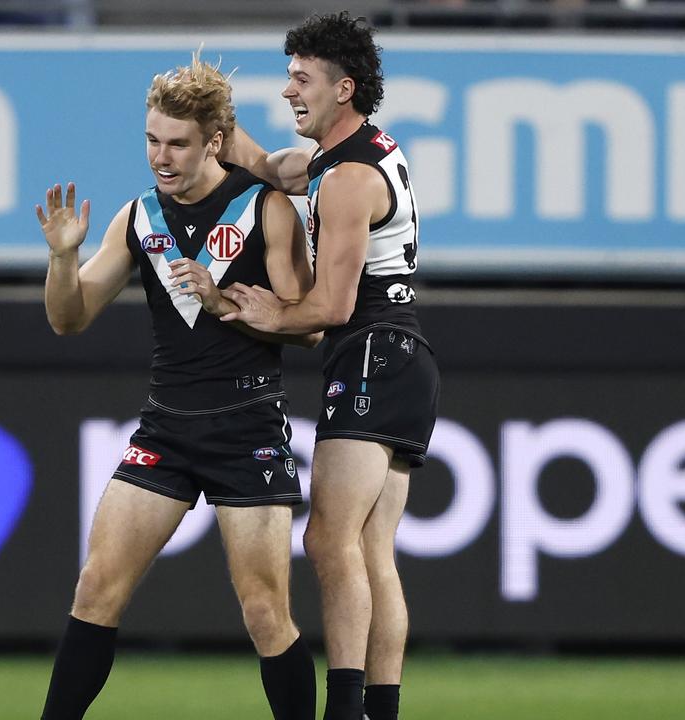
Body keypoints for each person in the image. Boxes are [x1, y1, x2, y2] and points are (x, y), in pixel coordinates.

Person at [35, 54, 320, 720]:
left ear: (213, 142)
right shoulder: (138, 218)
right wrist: (62, 257)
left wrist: (227, 305)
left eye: (178, 144)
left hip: (247, 424)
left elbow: (307, 327)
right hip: (167, 427)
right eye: (153, 140)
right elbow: (67, 319)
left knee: (265, 613)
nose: (162, 157)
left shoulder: (266, 208)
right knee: (96, 590)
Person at [219, 12, 440, 720]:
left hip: (372, 352)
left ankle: (344, 709)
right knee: (373, 550)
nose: (288, 90)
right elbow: (263, 166)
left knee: (327, 538)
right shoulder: (348, 158)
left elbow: (333, 306)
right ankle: (379, 709)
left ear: (344, 88)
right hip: (403, 355)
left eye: (301, 77)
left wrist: (265, 315)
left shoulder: (346, 180)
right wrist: (213, 114)